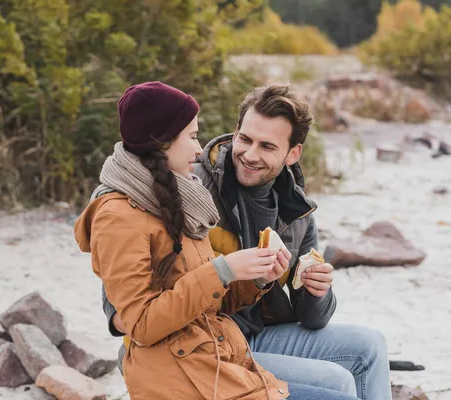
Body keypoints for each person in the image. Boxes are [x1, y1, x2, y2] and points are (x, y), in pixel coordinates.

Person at [101, 83, 392, 400]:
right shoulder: (187, 187)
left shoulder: (298, 213)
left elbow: (312, 318)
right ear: (235, 131)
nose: (250, 155)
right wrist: (223, 271)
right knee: (336, 382)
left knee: (372, 346)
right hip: (201, 343)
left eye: (267, 146)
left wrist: (316, 292)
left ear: (293, 153)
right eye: (245, 139)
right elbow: (124, 304)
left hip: (253, 335)